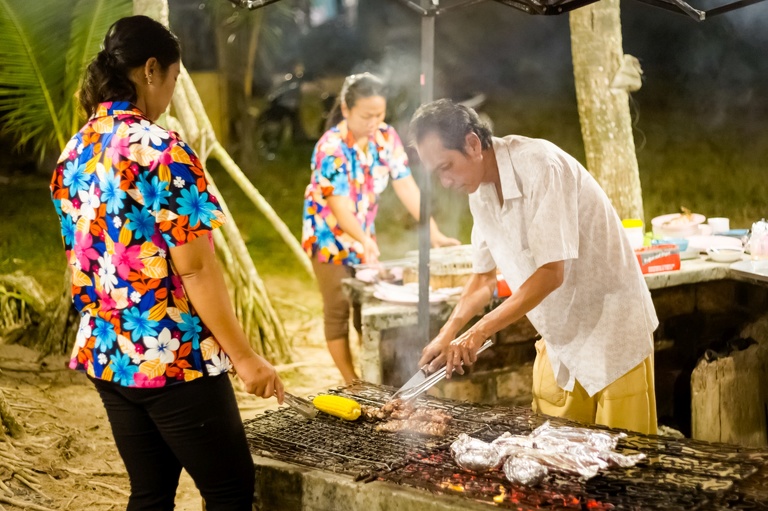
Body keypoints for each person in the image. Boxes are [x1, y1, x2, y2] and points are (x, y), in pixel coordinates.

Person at [49, 16, 283, 510]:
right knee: (229, 492)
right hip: (169, 356)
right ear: (151, 71)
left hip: (108, 353)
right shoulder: (162, 149)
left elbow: (83, 255)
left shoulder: (75, 151)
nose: (172, 94)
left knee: (150, 494)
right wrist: (245, 359)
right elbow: (197, 269)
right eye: (175, 80)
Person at [410, 99, 658, 435]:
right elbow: (483, 279)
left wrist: (478, 332)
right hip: (561, 337)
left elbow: (551, 273)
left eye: (446, 167)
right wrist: (448, 332)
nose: (445, 182)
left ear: (472, 144)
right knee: (558, 459)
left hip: (612, 329)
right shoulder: (478, 192)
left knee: (625, 461)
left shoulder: (541, 166)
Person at [301, 73, 460, 384]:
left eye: (379, 114)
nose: (374, 122)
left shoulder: (386, 138)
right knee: (337, 309)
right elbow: (338, 204)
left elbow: (406, 186)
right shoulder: (330, 147)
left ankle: (371, 374)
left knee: (366, 307)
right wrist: (362, 239)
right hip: (328, 236)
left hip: (363, 234)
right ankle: (352, 381)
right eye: (366, 115)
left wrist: (433, 230)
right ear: (346, 110)